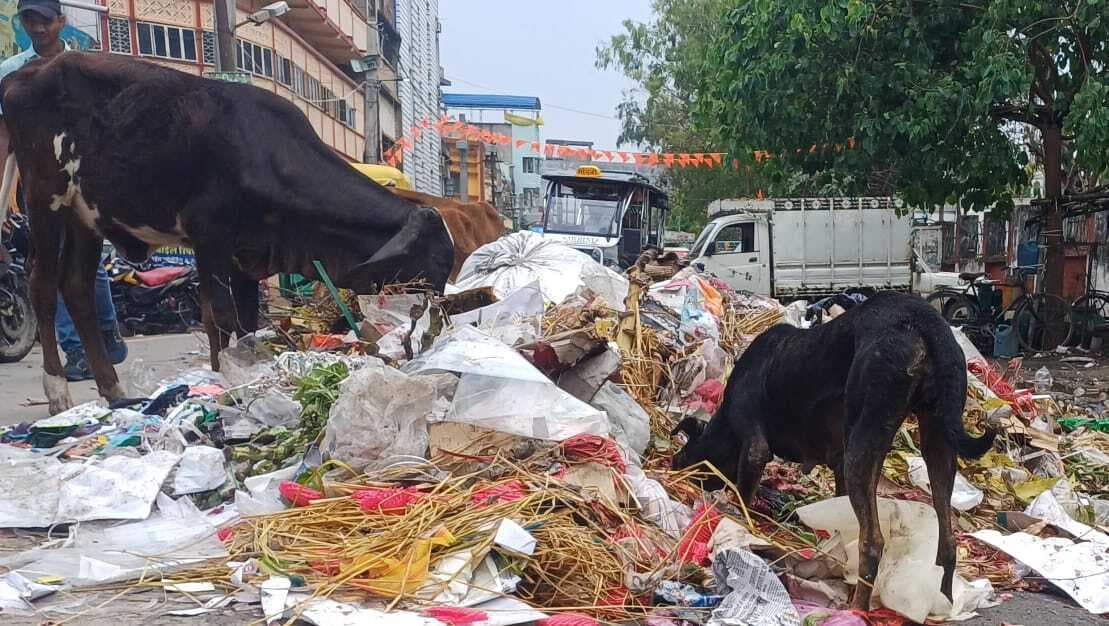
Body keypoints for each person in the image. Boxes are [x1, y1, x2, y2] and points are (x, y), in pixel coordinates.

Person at [0, 0, 126, 381]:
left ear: (61, 22)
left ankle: (106, 335)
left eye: (44, 20)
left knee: (92, 264)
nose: (37, 28)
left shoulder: (86, 70)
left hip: (88, 183)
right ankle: (78, 349)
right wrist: (5, 200)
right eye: (29, 20)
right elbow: (5, 140)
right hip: (41, 185)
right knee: (53, 262)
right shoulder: (12, 73)